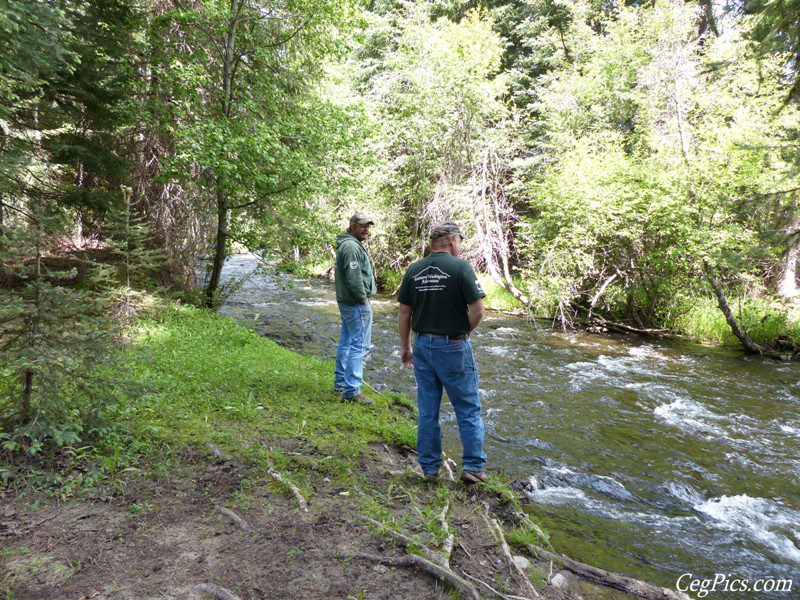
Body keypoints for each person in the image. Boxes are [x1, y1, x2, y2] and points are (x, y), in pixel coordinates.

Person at [397, 222, 487, 483]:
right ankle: (472, 467)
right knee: (467, 407)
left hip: (422, 344)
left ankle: (429, 468)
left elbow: (404, 313)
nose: (460, 246)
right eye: (460, 241)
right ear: (451, 241)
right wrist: (463, 333)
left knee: (427, 408)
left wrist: (406, 346)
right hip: (454, 345)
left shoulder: (414, 269)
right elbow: (478, 311)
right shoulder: (460, 268)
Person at [334, 212, 377, 404]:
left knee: (347, 341)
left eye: (368, 226)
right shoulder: (351, 246)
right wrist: (363, 300)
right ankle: (351, 390)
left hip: (347, 303)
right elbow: (353, 278)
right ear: (352, 226)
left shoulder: (348, 244)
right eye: (362, 226)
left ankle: (341, 384)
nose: (366, 229)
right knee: (359, 345)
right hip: (355, 304)